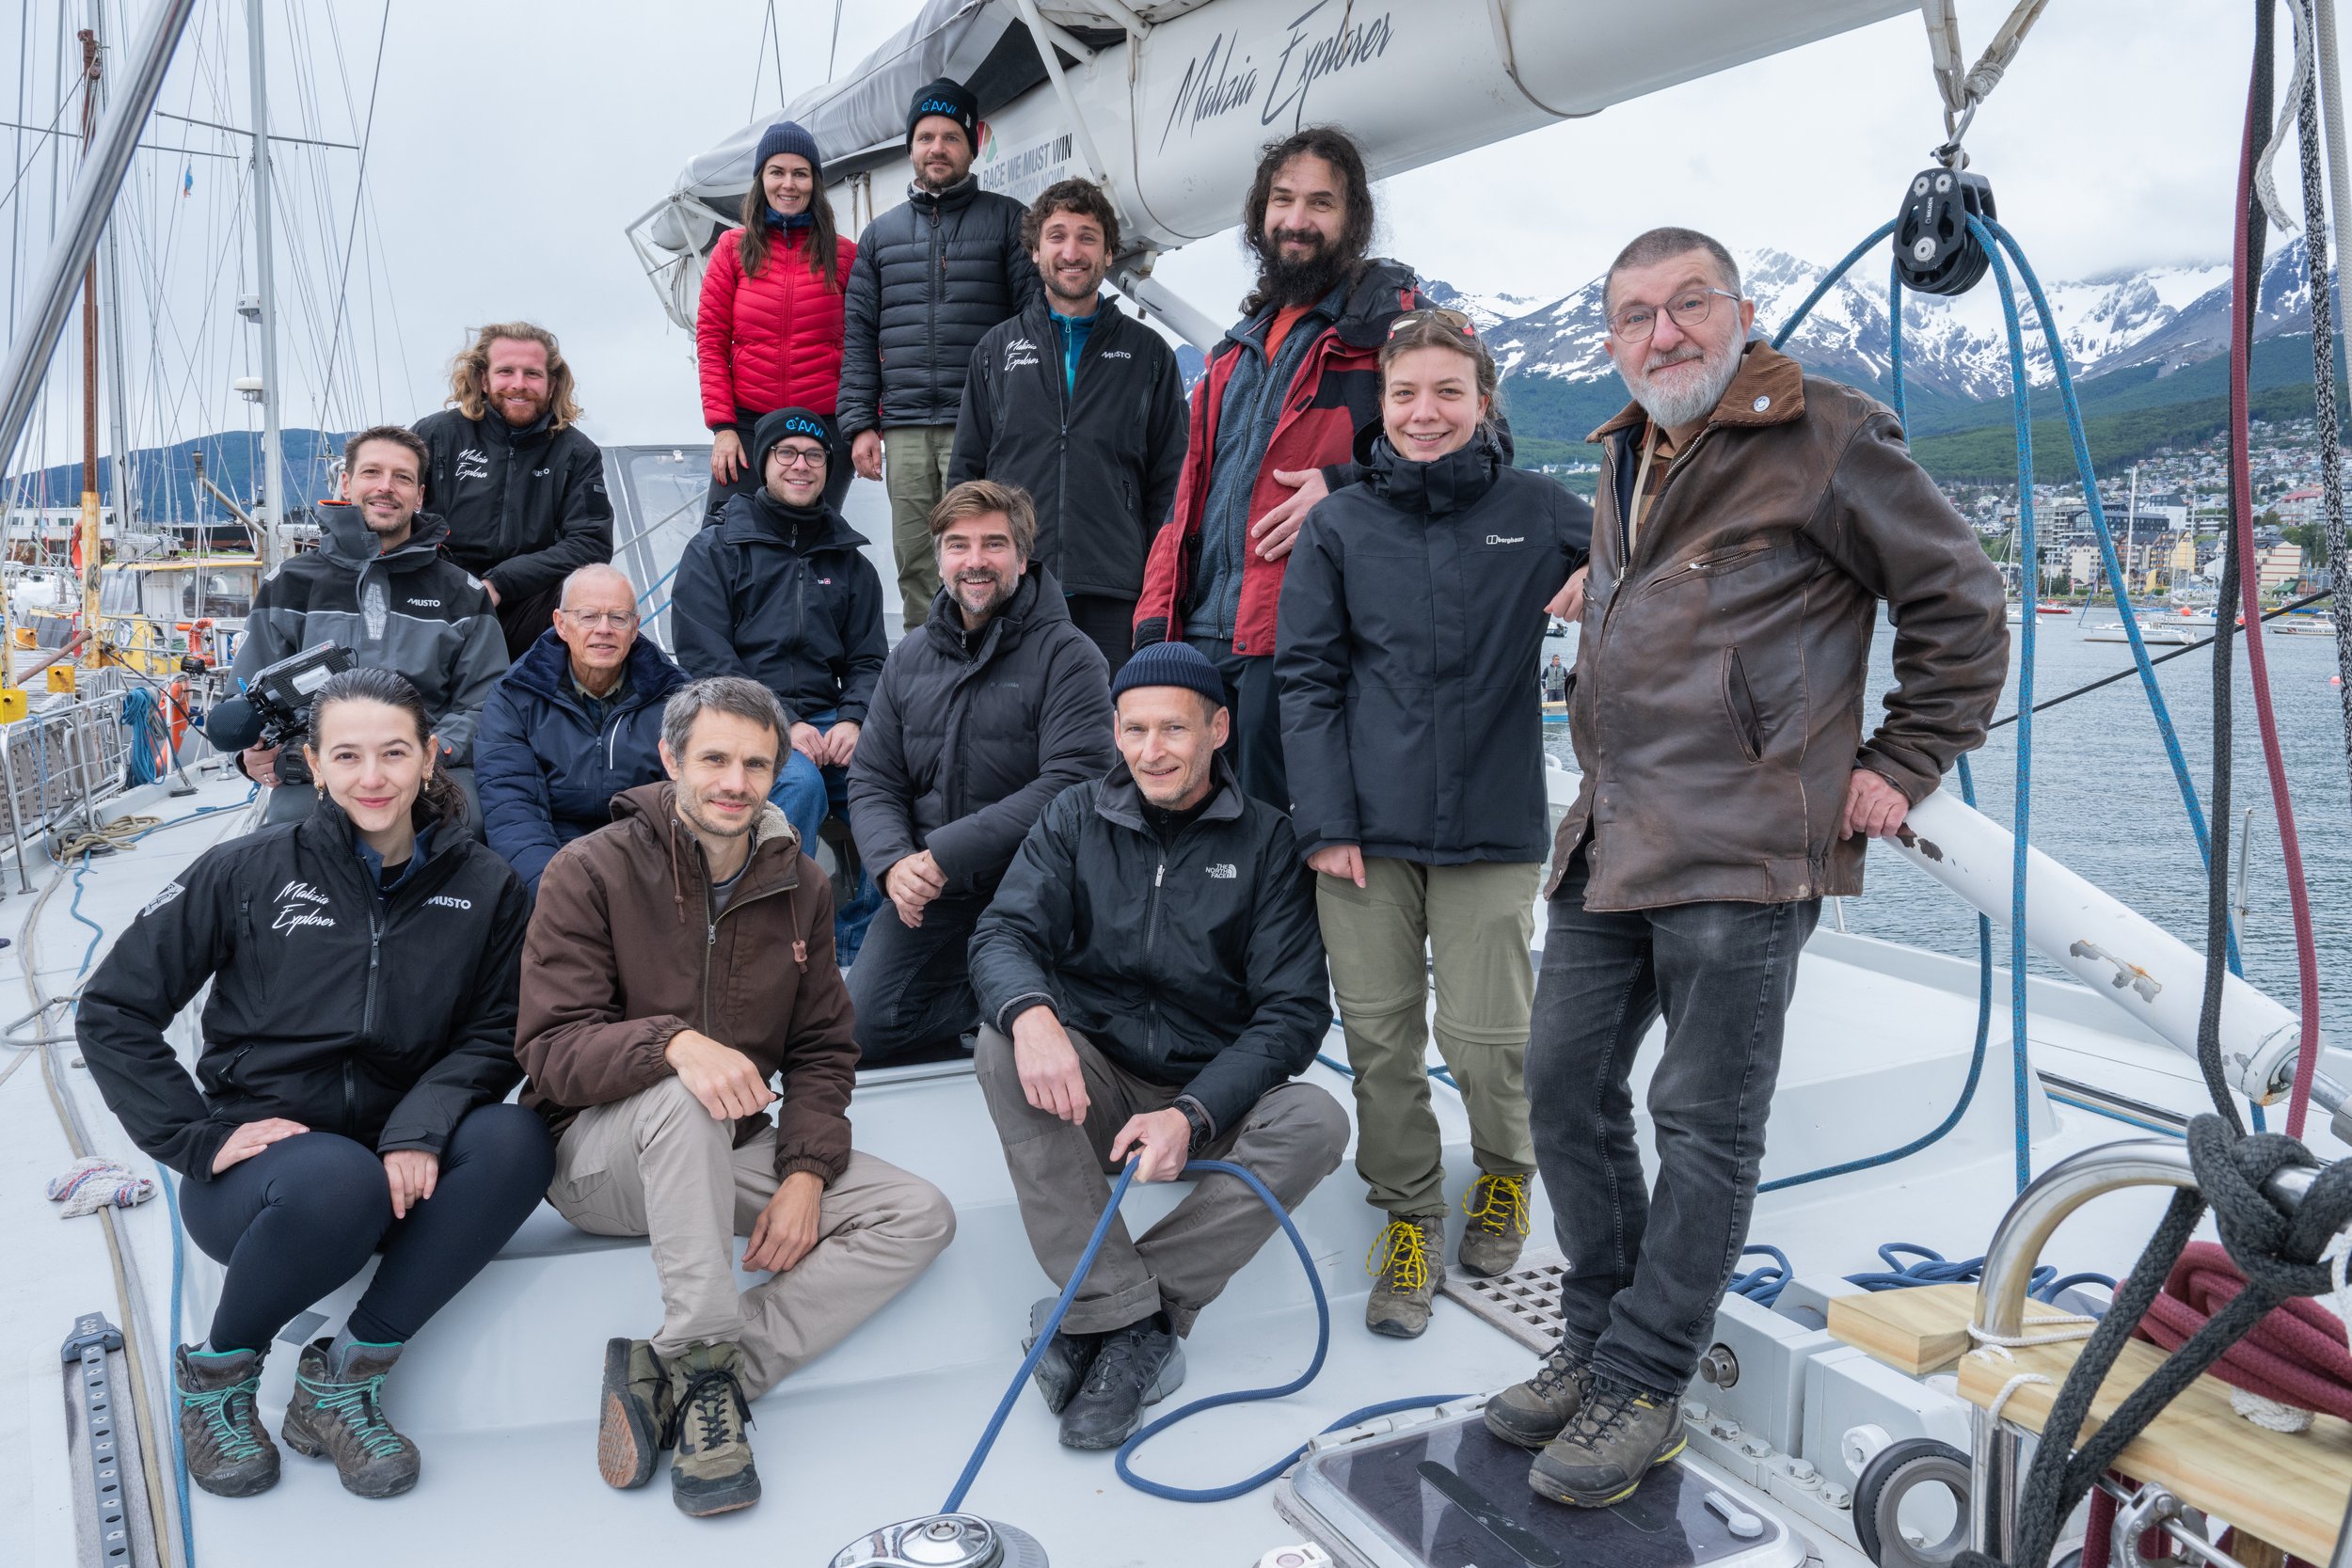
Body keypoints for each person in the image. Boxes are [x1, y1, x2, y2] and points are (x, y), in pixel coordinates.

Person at [1481, 229, 2006, 1509]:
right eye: (1634, 315)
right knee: (1559, 1083)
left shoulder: (1826, 431)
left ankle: (1648, 1378)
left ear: (1741, 312)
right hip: (1612, 832)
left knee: (1701, 1122)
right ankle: (1597, 1332)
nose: (1662, 333)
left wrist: (1907, 754)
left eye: (1688, 305)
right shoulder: (1625, 448)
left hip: (1747, 842)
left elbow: (1962, 600)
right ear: (1609, 337)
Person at [77, 668, 549, 1502]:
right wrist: (199, 1138)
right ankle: (219, 1378)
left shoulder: (486, 886)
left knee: (516, 1140)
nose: (374, 777)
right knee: (336, 1176)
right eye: (349, 755)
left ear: (432, 756)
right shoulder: (246, 870)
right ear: (316, 765)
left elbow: (494, 1029)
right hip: (271, 1185)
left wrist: (423, 1122)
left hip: (406, 1166)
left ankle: (341, 1379)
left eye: (395, 752)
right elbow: (113, 1007)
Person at [516, 677, 954, 1518]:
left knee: (919, 1213)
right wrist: (672, 1041)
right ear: (671, 758)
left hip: (730, 1145)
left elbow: (825, 1047)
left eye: (757, 763)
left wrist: (806, 1171)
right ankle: (706, 1368)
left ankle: (687, 1371)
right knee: (684, 1095)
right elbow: (551, 1053)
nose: (735, 782)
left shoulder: (803, 883)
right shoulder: (590, 871)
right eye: (714, 758)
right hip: (599, 1156)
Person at [1277, 309, 1590, 1338]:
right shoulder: (1339, 525)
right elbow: (1308, 676)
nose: (1425, 412)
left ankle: (1505, 1174)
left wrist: (1607, 580)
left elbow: (1664, 565)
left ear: (1482, 403)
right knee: (1379, 1040)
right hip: (1359, 828)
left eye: (1447, 392)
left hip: (1493, 824)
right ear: (1384, 405)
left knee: (1487, 1037)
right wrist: (1322, 820)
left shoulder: (1540, 511)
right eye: (1406, 393)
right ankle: (1408, 1215)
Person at [966, 641, 1347, 1449]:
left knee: (1318, 1119)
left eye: (1172, 729)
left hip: (1209, 1095)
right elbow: (1002, 931)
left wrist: (1194, 1112)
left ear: (1218, 728)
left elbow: (1292, 1014)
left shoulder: (1270, 844)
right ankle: (1131, 1315)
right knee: (1001, 1042)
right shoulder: (1074, 816)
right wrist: (1033, 1015)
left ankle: (1117, 1317)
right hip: (1095, 1084)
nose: (1150, 751)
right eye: (1133, 730)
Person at [1132, 125, 1455, 807]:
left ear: (1353, 220)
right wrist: (1153, 634)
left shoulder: (1394, 332)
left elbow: (1480, 456)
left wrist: (1344, 488)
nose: (1297, 221)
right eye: (1283, 200)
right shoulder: (1231, 351)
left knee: (1285, 849)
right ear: (1259, 213)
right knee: (1206, 854)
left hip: (1304, 643)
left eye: (1321, 203)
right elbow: (1185, 506)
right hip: (1199, 643)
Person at [845, 479, 1114, 1064]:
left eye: (994, 544)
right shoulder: (909, 658)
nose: (975, 561)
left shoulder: (1070, 656)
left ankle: (1033, 993)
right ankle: (994, 1000)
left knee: (1071, 1018)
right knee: (863, 1027)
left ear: (1022, 555)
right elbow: (873, 779)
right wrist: (894, 865)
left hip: (1040, 886)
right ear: (939, 554)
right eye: (958, 544)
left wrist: (944, 853)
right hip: (936, 888)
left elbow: (1075, 780)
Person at [669, 406, 887, 956]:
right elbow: (705, 655)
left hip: (824, 721)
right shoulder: (716, 550)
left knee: (893, 782)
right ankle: (781, 942)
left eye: (814, 456)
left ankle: (858, 949)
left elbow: (869, 661)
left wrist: (853, 719)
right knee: (797, 784)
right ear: (763, 462)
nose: (801, 465)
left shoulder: (851, 562)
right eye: (786, 453)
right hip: (734, 723)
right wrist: (780, 724)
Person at [948, 178, 1185, 675]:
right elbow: (967, 478)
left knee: (1108, 737)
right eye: (1057, 236)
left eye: (1087, 237)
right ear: (1035, 251)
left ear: (1108, 252)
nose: (1071, 251)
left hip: (1115, 590)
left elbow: (1172, 484)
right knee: (1012, 739)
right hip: (1015, 586)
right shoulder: (995, 350)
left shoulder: (1149, 355)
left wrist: (1160, 583)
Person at [839, 76, 1043, 629]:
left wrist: (1018, 412)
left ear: (972, 145)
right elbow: (858, 334)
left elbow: (1033, 326)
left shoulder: (1008, 222)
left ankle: (995, 660)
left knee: (984, 557)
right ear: (910, 146)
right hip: (902, 427)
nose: (937, 148)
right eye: (926, 136)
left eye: (950, 137)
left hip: (980, 425)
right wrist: (861, 423)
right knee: (915, 558)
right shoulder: (879, 238)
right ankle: (924, 666)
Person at [236, 426, 508, 832]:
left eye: (402, 477)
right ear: (346, 483)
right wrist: (249, 752)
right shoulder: (289, 585)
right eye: (371, 473)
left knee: (469, 825)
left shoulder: (461, 593)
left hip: (431, 770)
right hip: (320, 771)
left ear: (419, 495)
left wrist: (423, 754)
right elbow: (244, 695)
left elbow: (486, 702)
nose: (386, 487)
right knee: (286, 838)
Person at [474, 563, 689, 896]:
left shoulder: (676, 697)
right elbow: (513, 808)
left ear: (635, 628)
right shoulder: (516, 694)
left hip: (645, 852)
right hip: (553, 852)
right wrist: (553, 889)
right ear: (561, 624)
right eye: (588, 616)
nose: (604, 629)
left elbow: (683, 803)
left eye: (618, 618)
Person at [414, 323, 614, 657]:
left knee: (595, 593)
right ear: (483, 379)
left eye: (532, 374)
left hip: (528, 604)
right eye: (506, 371)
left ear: (552, 384)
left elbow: (590, 543)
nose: (519, 385)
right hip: (439, 599)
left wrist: (500, 582)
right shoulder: (435, 435)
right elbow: (395, 514)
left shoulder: (576, 453)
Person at [697, 120, 857, 522]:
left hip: (824, 429)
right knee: (723, 542)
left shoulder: (845, 256)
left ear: (814, 183)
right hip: (748, 427)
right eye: (777, 172)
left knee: (810, 551)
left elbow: (868, 347)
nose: (789, 184)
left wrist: (865, 424)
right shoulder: (731, 250)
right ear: (761, 179)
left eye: (800, 173)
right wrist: (723, 428)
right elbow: (711, 339)